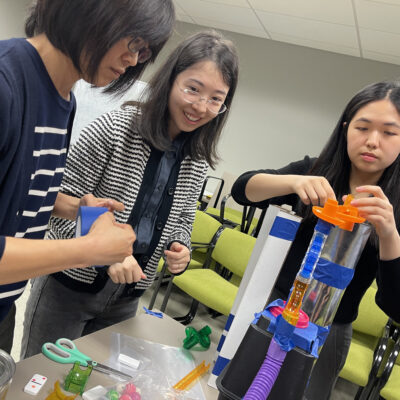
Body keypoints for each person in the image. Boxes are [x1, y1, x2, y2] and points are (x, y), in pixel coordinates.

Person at [21, 30, 239, 358]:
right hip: (68, 286)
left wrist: (178, 247)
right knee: (40, 377)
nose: (200, 106)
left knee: (97, 380)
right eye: (192, 89)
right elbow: (57, 205)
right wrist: (106, 252)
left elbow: (182, 219)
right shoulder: (114, 129)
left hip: (127, 295)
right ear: (169, 81)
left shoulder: (196, 159)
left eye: (215, 99)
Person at [0, 0, 175, 353]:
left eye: (144, 52)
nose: (133, 60)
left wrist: (76, 208)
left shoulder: (64, 99)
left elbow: (20, 189)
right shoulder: (6, 83)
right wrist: (85, 250)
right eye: (133, 42)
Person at [231, 80, 400, 399]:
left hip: (329, 331)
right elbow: (242, 190)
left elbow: (395, 305)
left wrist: (389, 233)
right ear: (346, 129)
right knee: (239, 388)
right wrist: (293, 182)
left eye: (389, 133)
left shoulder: (392, 209)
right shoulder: (315, 172)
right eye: (362, 128)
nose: (372, 142)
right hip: (276, 308)